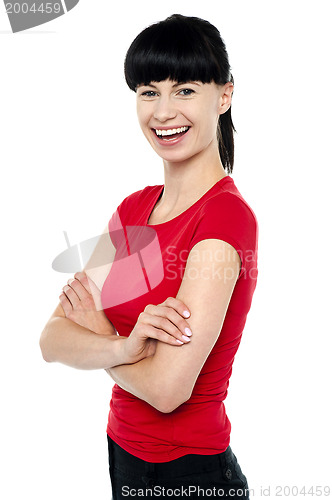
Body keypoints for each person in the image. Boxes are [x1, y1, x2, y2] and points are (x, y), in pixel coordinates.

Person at [40, 13, 258, 500]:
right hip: (122, 454)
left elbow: (166, 390)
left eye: (184, 90)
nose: (162, 111)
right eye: (148, 91)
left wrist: (97, 333)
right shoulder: (133, 209)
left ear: (223, 96)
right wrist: (122, 347)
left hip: (192, 474)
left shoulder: (225, 218)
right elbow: (52, 339)